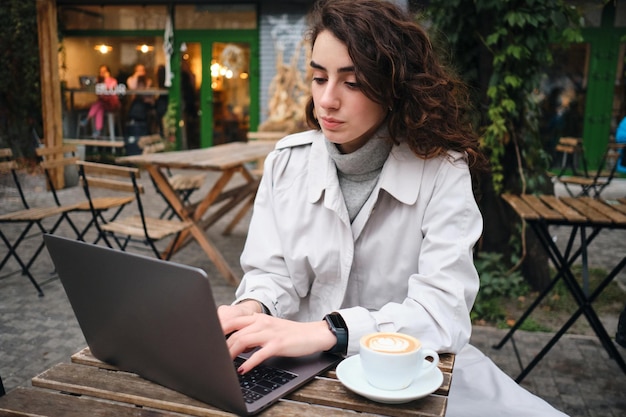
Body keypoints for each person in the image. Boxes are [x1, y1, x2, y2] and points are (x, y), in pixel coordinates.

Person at [218, 1, 568, 416]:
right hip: (298, 372)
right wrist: (251, 308)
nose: (326, 100)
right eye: (318, 77)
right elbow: (271, 273)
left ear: (394, 84)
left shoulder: (442, 170)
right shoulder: (286, 161)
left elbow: (442, 313)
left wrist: (331, 332)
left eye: (352, 82)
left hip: (412, 377)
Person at [80, 65, 120, 138]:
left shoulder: (113, 81)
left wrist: (105, 80)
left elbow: (110, 91)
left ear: (108, 72)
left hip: (111, 103)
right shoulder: (99, 81)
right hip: (103, 104)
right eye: (101, 72)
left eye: (104, 71)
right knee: (99, 108)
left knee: (98, 104)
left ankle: (87, 119)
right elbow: (97, 92)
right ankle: (98, 130)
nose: (102, 73)